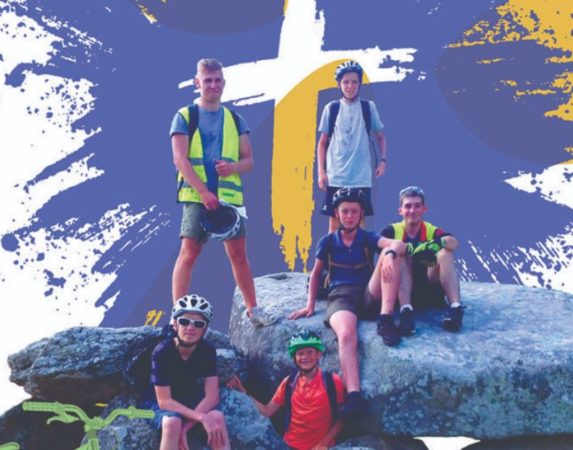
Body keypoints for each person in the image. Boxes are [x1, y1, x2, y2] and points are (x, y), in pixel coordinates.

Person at [170, 58, 274, 327]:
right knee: (189, 253)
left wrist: (233, 167)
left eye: (217, 80)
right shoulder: (185, 116)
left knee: (239, 256)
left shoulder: (235, 119)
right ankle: (177, 314)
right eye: (208, 80)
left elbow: (249, 161)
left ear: (224, 83)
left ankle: (253, 310)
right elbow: (180, 159)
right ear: (197, 83)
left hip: (230, 198)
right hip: (196, 196)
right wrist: (204, 191)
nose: (213, 85)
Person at [289, 187, 406, 417]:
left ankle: (385, 318)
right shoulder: (328, 241)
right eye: (345, 211)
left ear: (361, 213)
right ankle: (354, 396)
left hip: (368, 292)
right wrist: (310, 305)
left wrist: (391, 253)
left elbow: (398, 244)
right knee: (345, 335)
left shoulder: (368, 237)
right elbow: (316, 274)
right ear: (337, 213)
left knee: (388, 253)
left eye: (354, 211)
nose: (350, 216)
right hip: (341, 295)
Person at [228, 330, 345, 450]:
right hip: (289, 445)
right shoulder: (289, 383)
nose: (305, 357)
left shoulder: (332, 382)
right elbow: (267, 411)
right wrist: (244, 392)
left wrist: (324, 442)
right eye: (300, 353)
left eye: (310, 352)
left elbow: (343, 417)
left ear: (318, 354)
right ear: (294, 357)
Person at [149, 294, 231, 450]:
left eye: (198, 324)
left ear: (205, 329)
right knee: (173, 423)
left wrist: (186, 428)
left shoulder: (207, 350)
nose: (191, 327)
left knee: (217, 418)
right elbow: (164, 401)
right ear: (175, 324)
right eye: (184, 321)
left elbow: (212, 397)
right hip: (160, 401)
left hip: (190, 398)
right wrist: (201, 418)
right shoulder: (162, 352)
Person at [380, 186, 464, 335]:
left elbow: (453, 242)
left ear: (424, 209)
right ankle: (406, 312)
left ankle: (455, 308)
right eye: (408, 206)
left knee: (445, 253)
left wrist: (432, 244)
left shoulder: (431, 230)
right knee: (400, 256)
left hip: (429, 285)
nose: (412, 210)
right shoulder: (391, 231)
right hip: (403, 291)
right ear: (400, 210)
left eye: (417, 206)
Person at [317, 60, 388, 233]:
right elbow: (322, 142)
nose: (350, 86)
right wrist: (321, 172)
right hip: (336, 176)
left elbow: (380, 136)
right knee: (334, 226)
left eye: (354, 82)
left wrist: (383, 161)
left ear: (360, 84)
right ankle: (330, 253)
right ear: (339, 85)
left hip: (360, 177)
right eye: (346, 82)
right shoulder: (331, 108)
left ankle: (360, 253)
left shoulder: (368, 107)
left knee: (359, 226)